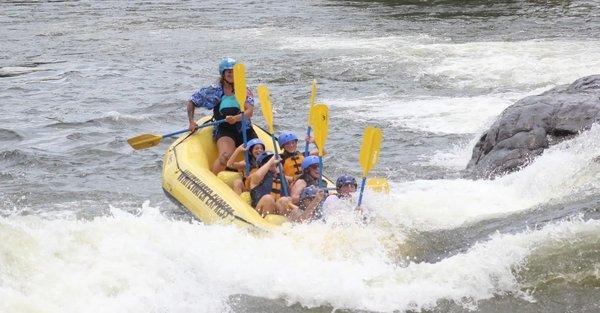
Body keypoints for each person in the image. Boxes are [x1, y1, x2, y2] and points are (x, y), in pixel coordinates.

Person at [186, 57, 258, 174]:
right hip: (224, 130)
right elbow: (192, 101)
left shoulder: (244, 90)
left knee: (261, 157)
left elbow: (249, 112)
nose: (232, 74)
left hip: (245, 128)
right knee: (225, 156)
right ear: (223, 74)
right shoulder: (214, 91)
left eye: (234, 71)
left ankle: (247, 173)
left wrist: (236, 118)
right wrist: (191, 121)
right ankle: (212, 179)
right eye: (229, 72)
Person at [248, 152, 295, 217]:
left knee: (284, 200)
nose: (274, 163)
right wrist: (271, 161)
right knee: (268, 198)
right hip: (259, 215)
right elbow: (258, 175)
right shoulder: (256, 178)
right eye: (269, 161)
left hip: (278, 213)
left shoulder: (283, 179)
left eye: (276, 162)